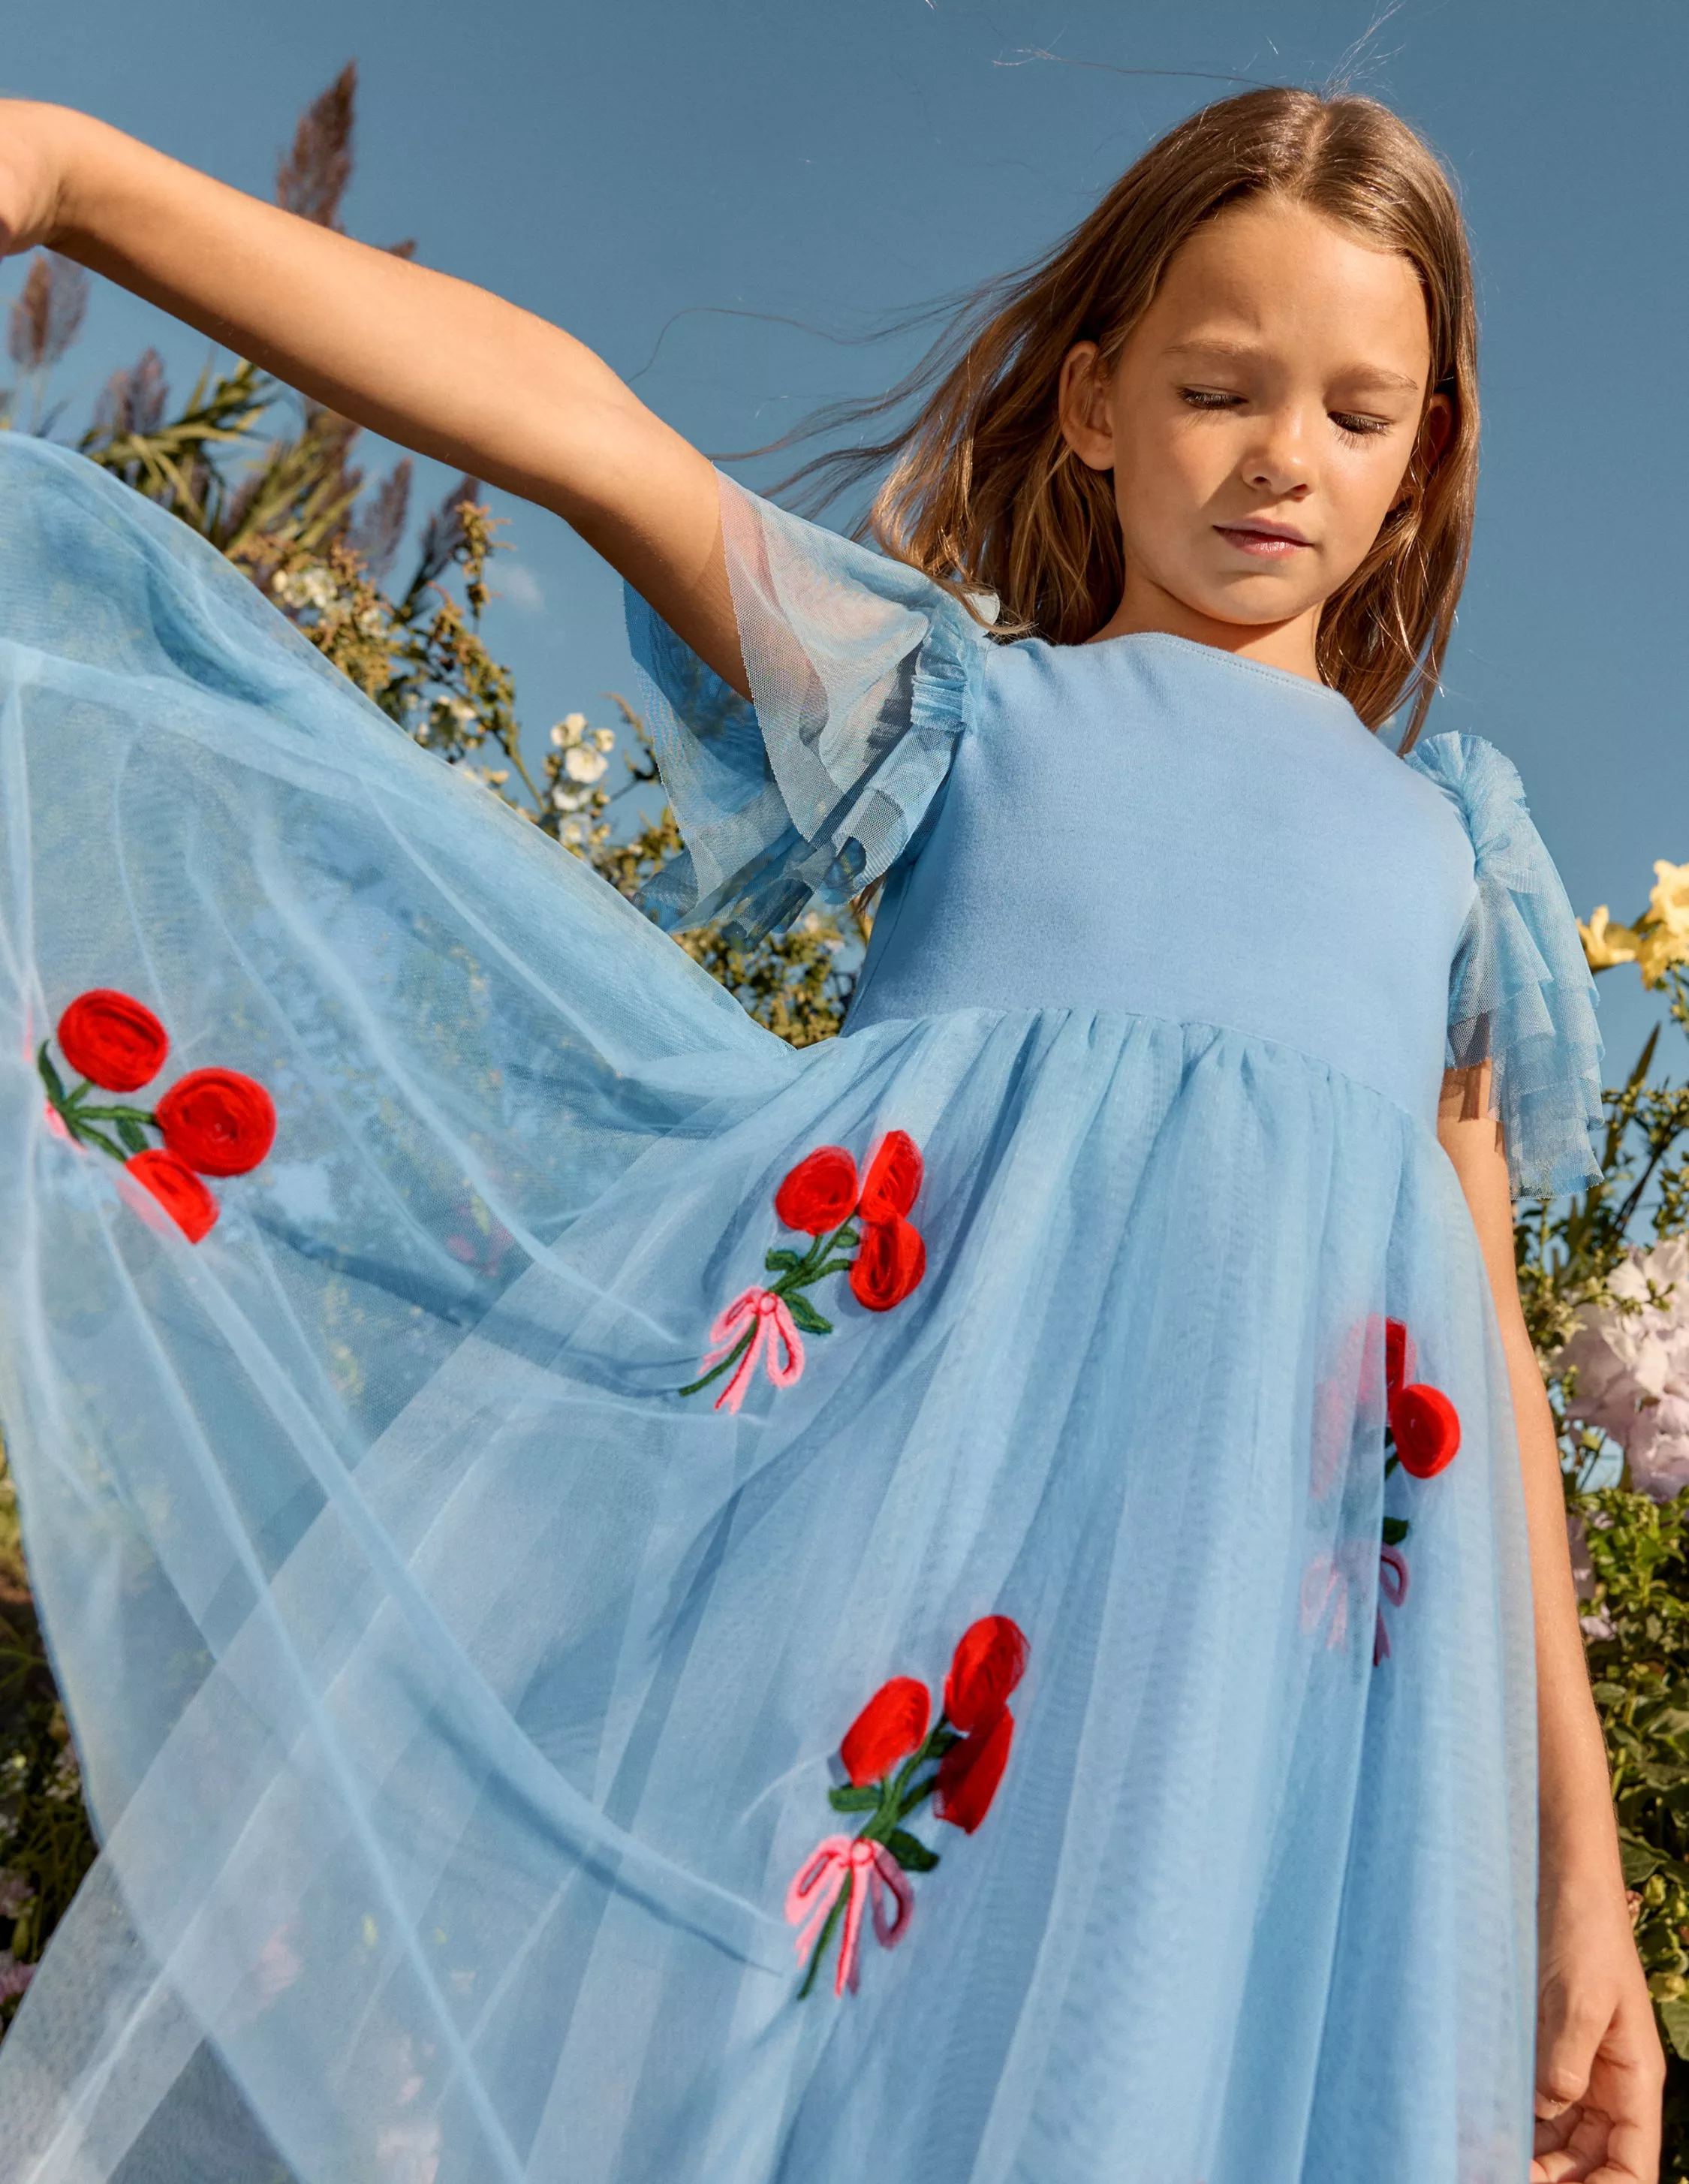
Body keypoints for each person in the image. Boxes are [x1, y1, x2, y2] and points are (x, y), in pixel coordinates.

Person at [0, 80, 1662, 2184]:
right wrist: (67, 177)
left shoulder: (1446, 871)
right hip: (896, 1634)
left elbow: (1489, 1359)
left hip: (1272, 1720)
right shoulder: (957, 711)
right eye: (1220, 388)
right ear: (1090, 405)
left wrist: (1579, 1884)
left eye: (1355, 412)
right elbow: (579, 436)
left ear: (1425, 456)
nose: (1281, 458)